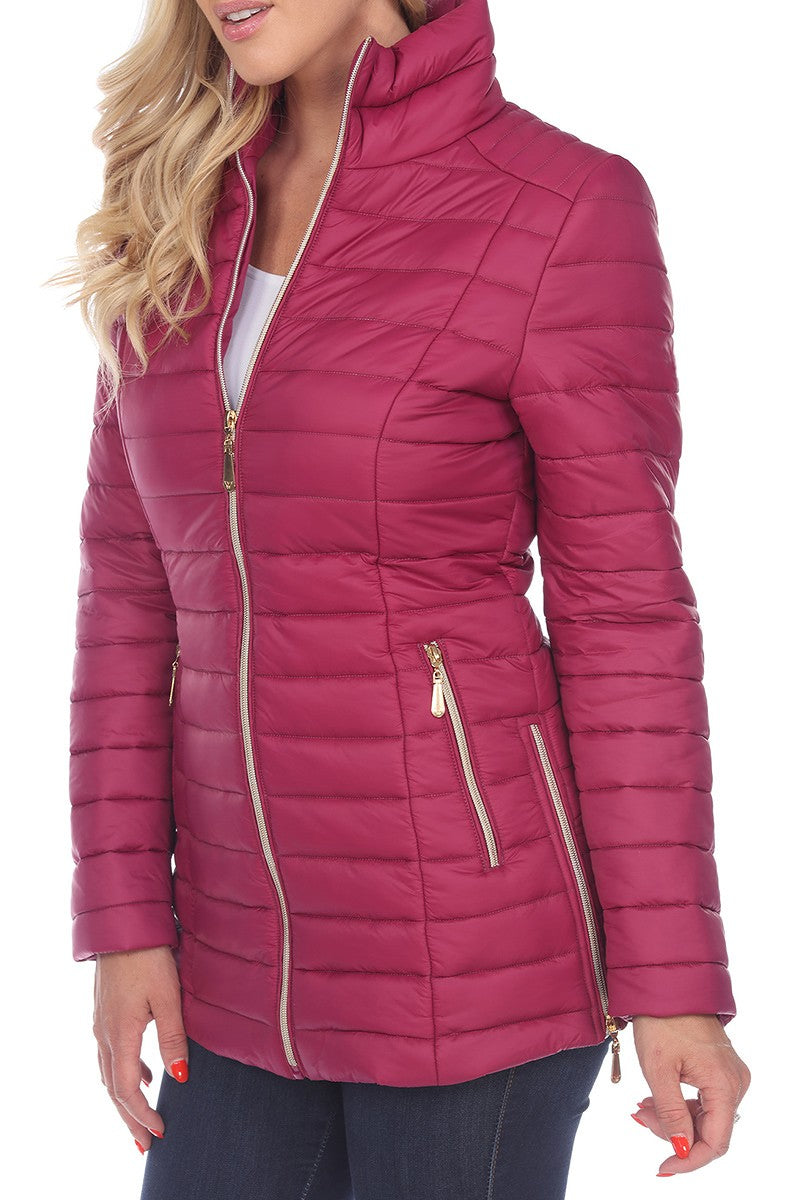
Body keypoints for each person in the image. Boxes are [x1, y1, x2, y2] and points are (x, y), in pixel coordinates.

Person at [55, 1, 751, 1196]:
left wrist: (673, 982)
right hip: (234, 961)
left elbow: (624, 618)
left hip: (475, 961)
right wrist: (125, 924)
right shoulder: (178, 197)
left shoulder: (555, 206)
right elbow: (128, 601)